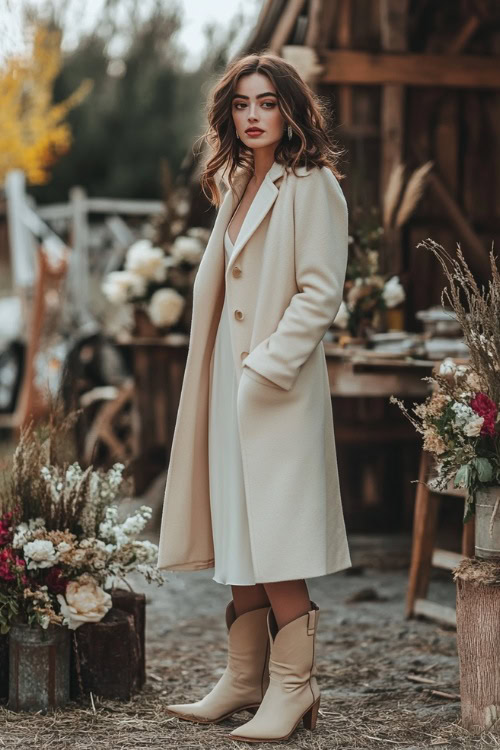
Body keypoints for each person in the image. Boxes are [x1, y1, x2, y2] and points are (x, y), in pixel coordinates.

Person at [157, 52, 352, 743]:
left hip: (274, 388)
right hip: (226, 383)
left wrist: (266, 368)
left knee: (277, 544)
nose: (252, 116)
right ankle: (244, 680)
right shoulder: (237, 181)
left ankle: (293, 688)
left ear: (290, 108)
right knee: (237, 533)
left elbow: (320, 290)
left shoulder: (312, 184)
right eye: (241, 105)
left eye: (266, 102)